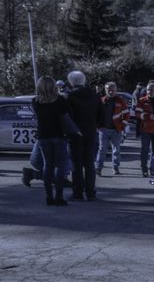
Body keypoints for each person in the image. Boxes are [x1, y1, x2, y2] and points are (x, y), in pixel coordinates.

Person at [32, 76, 71, 206]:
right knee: (60, 166)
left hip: (43, 135)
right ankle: (59, 196)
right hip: (59, 134)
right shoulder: (60, 100)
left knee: (47, 166)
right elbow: (65, 116)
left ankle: (49, 196)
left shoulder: (36, 101)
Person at [65, 70, 102, 201]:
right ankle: (91, 192)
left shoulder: (70, 97)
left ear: (71, 82)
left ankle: (78, 193)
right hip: (91, 132)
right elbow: (100, 116)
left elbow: (68, 117)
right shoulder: (95, 96)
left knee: (76, 165)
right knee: (90, 164)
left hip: (75, 134)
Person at [96, 82, 130, 175]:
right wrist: (97, 126)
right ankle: (98, 168)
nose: (110, 91)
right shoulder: (101, 101)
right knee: (102, 149)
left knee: (116, 150)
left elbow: (126, 114)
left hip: (116, 130)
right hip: (103, 130)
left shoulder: (120, 101)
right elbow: (96, 114)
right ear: (105, 90)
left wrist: (123, 125)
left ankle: (115, 168)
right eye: (108, 89)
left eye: (112, 90)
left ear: (116, 90)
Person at [135, 82, 154, 177]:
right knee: (145, 150)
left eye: (152, 89)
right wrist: (149, 116)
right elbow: (137, 114)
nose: (150, 91)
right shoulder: (141, 101)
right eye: (148, 89)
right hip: (146, 130)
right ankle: (144, 169)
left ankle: (153, 169)